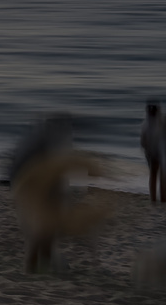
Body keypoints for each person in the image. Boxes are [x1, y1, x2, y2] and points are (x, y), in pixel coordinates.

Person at [7, 114, 110, 273]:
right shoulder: (53, 141)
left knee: (42, 231)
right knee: (44, 232)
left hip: (27, 188)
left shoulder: (35, 139)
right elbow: (56, 170)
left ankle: (38, 264)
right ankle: (35, 266)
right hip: (40, 191)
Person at [139, 100, 163, 203]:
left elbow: (142, 142)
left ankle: (153, 197)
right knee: (159, 175)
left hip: (149, 153)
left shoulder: (145, 124)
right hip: (157, 153)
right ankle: (160, 197)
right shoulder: (158, 123)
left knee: (153, 176)